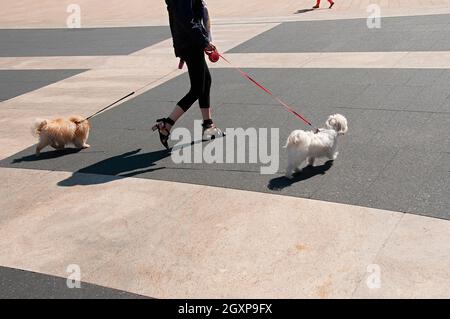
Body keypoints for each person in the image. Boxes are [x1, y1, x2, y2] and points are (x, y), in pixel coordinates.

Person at [153, 0, 222, 149]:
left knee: (206, 82)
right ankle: (166, 124)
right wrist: (203, 41)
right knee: (197, 88)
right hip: (190, 43)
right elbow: (186, 19)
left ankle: (208, 125)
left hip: (190, 42)